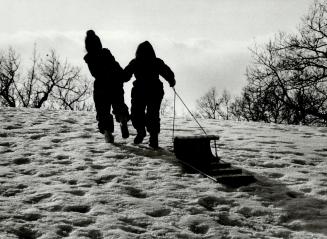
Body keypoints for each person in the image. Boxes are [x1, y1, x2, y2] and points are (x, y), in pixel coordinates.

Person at [124, 41, 176, 149]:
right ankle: (145, 133)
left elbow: (125, 75)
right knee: (146, 114)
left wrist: (171, 79)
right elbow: (167, 72)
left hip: (148, 90)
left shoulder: (139, 62)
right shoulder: (153, 62)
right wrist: (171, 80)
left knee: (143, 114)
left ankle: (150, 136)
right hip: (149, 90)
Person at [84, 30, 129, 143]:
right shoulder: (107, 55)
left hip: (101, 87)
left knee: (103, 111)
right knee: (119, 105)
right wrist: (123, 76)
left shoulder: (90, 59)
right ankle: (123, 120)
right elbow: (117, 67)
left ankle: (108, 133)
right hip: (115, 85)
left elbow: (95, 73)